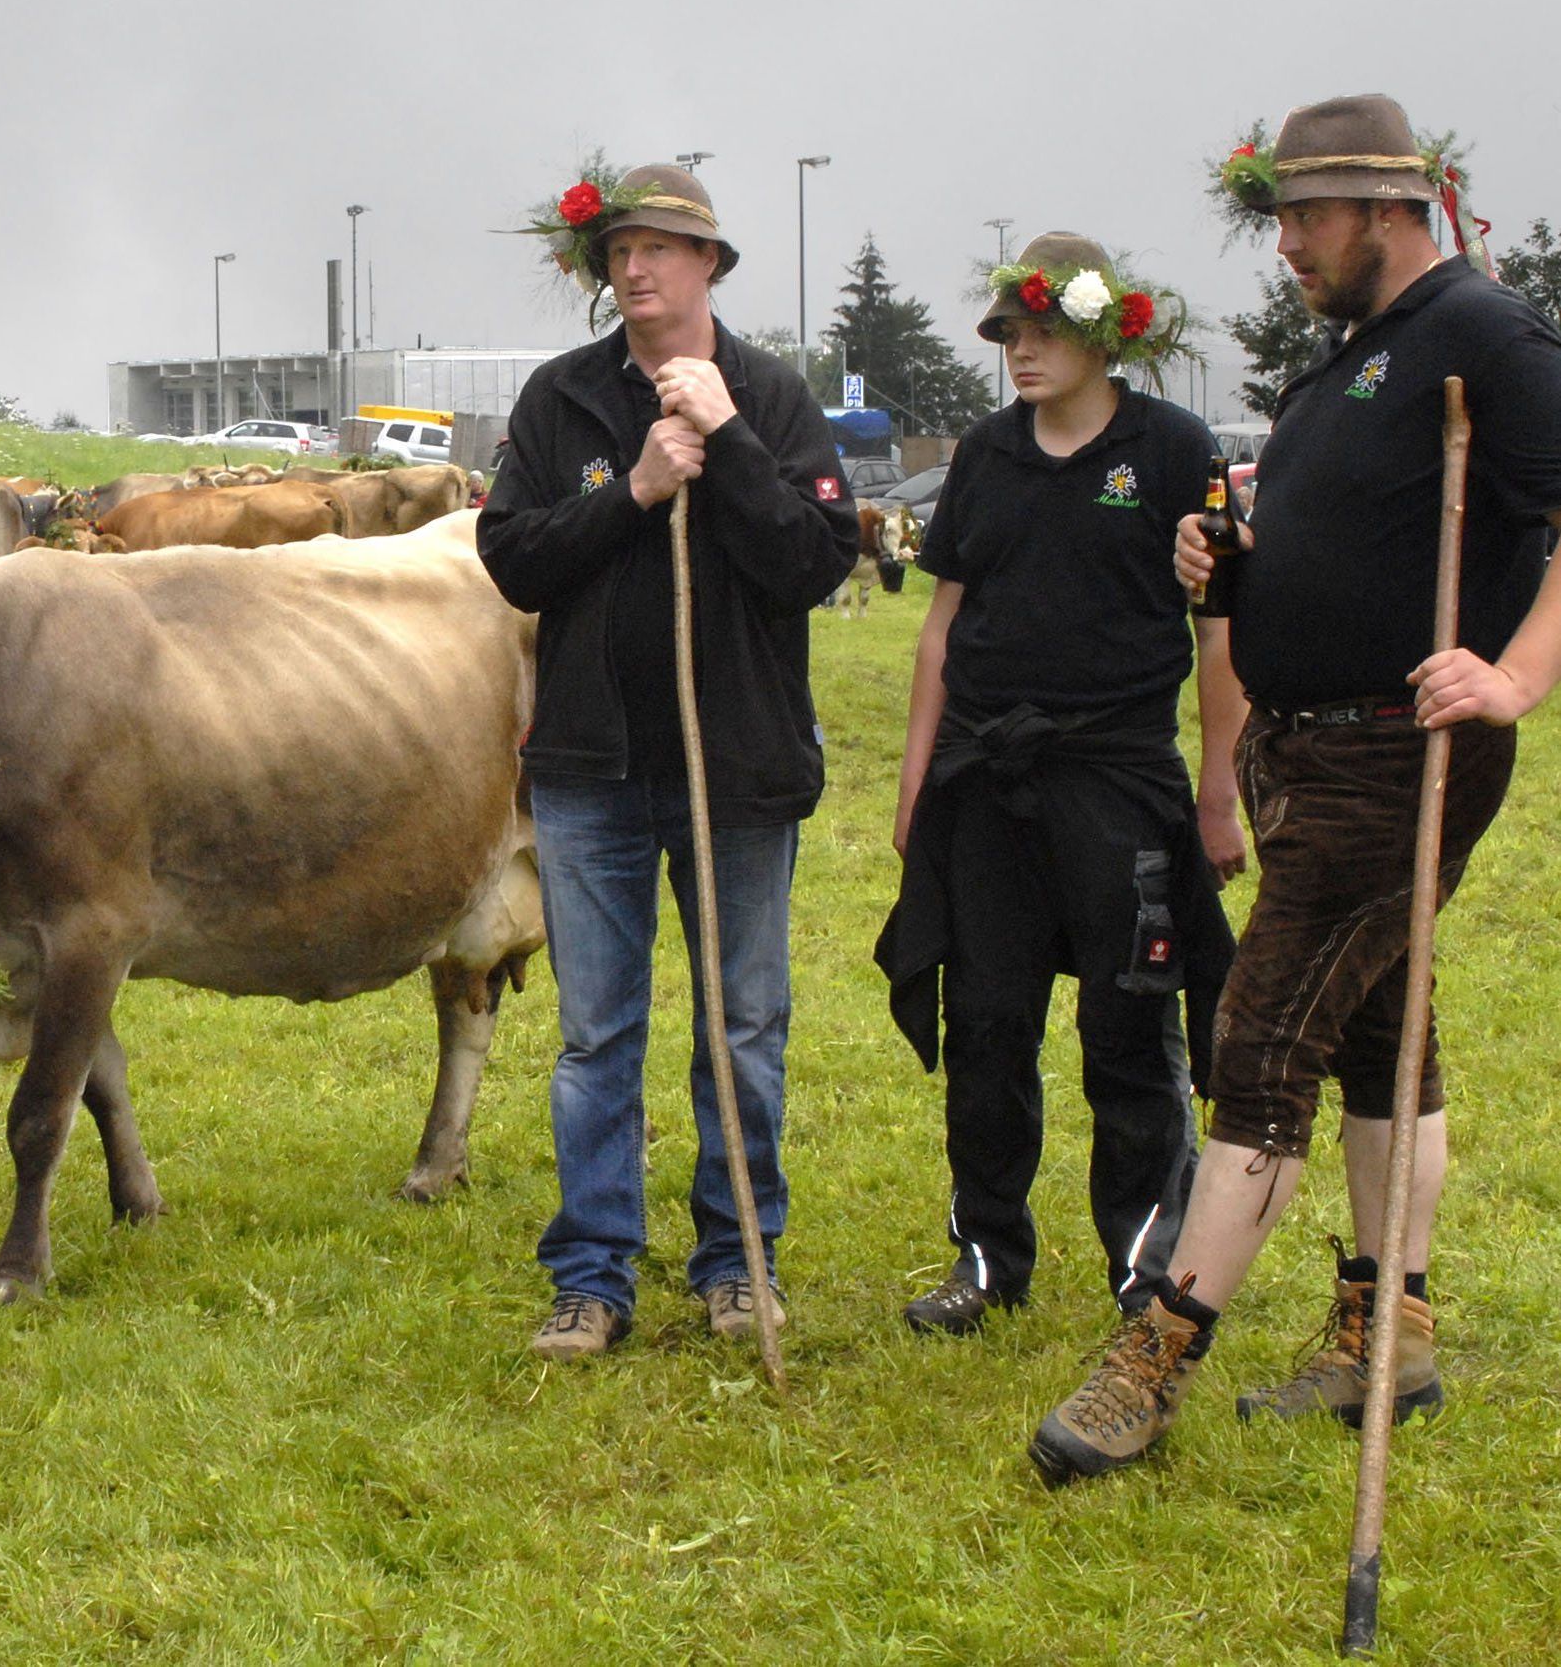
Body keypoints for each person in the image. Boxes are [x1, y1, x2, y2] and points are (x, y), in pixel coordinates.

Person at [1031, 95, 1561, 1485]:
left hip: (1405, 748)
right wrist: (1234, 560)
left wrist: (1511, 676)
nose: (1282, 246)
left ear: (1393, 208)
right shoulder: (1351, 359)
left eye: (1304, 217)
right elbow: (1352, 540)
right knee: (1388, 1033)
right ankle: (1387, 1332)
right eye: (1273, 217)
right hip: (1312, 744)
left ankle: (1156, 1352)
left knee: (1259, 1037)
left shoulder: (1479, 333)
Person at [478, 163, 859, 1360]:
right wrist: (637, 488)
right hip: (592, 767)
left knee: (742, 1023)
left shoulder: (773, 397)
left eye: (661, 248)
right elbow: (515, 560)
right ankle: (592, 1273)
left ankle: (737, 1257)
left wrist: (731, 441)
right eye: (619, 252)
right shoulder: (561, 403)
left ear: (708, 266)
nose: (635, 269)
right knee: (598, 1032)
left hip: (735, 771)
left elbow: (812, 559)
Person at [876, 235, 1244, 1337]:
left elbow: (1218, 625)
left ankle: (1144, 1269)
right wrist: (915, 783)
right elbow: (941, 626)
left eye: (1039, 332)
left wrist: (1216, 788)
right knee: (986, 1023)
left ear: (1102, 335)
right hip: (985, 781)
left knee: (1129, 1027)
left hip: (1118, 774)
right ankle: (985, 1259)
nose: (1020, 353)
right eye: (1007, 336)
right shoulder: (984, 455)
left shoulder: (1175, 448)